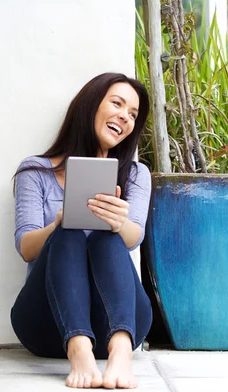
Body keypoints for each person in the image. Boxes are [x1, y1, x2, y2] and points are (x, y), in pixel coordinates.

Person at [10, 73, 153, 389]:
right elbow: (27, 248)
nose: (124, 117)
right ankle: (79, 349)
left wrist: (118, 223)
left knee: (107, 235)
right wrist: (58, 224)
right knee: (69, 232)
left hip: (118, 321)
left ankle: (121, 351)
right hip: (48, 325)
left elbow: (135, 238)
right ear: (90, 105)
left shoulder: (135, 175)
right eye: (117, 104)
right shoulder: (35, 171)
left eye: (132, 114)